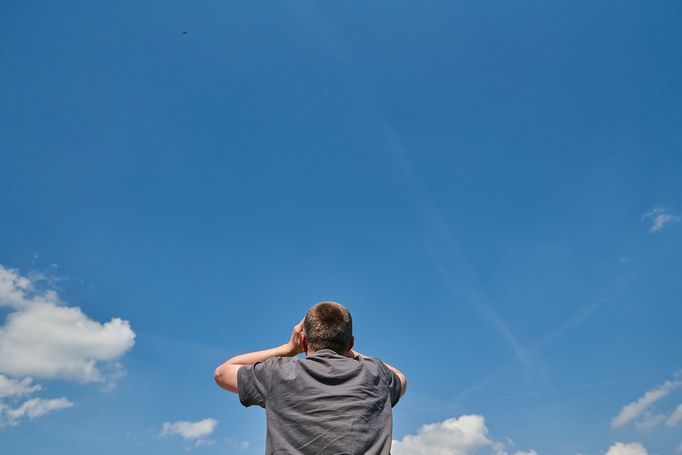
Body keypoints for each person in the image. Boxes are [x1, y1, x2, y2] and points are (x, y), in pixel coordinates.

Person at [214, 301, 407, 454]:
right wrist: (347, 349)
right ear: (351, 344)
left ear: (304, 341)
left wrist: (288, 349)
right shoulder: (374, 373)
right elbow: (401, 378)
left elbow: (223, 372)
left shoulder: (278, 372)